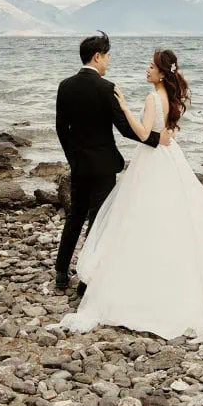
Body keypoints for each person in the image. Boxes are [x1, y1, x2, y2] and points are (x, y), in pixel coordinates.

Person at [54, 49, 203, 343]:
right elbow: (166, 133)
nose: (147, 69)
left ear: (162, 73)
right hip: (170, 157)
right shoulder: (171, 98)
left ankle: (122, 277)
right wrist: (156, 136)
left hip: (150, 159)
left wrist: (124, 107)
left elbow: (142, 132)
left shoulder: (151, 98)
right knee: (172, 216)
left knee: (139, 216)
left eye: (151, 66)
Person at [54, 32, 174, 294]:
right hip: (104, 165)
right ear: (97, 56)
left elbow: (61, 128)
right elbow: (125, 129)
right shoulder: (106, 88)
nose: (108, 61)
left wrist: (72, 158)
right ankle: (86, 279)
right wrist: (157, 139)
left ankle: (61, 272)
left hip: (79, 164)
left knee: (75, 216)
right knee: (99, 220)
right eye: (107, 56)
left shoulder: (65, 86)